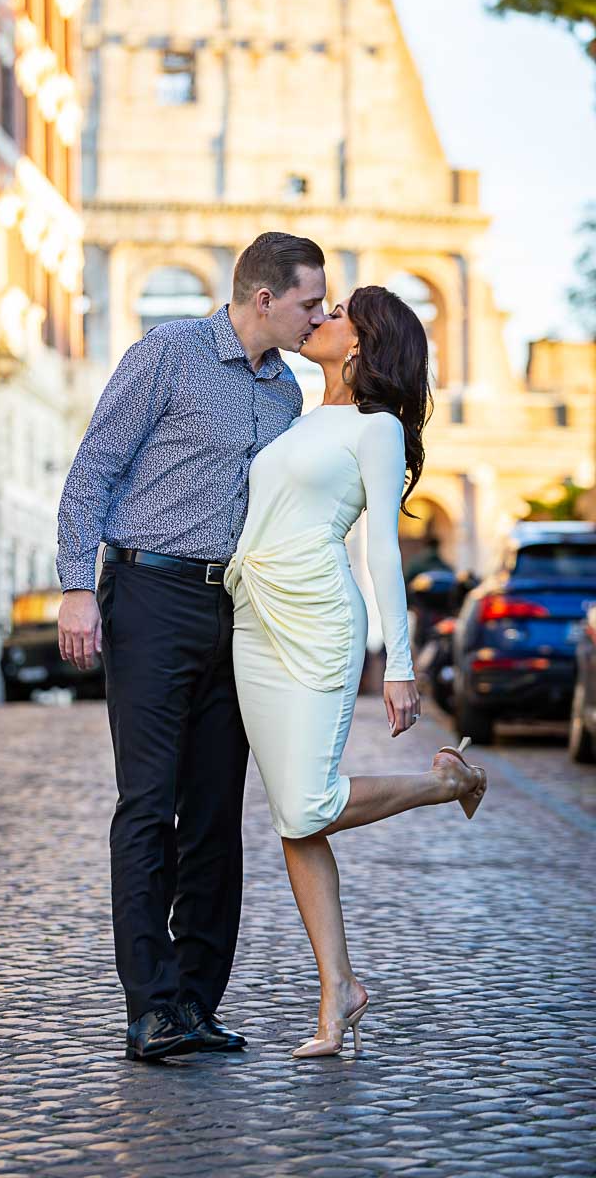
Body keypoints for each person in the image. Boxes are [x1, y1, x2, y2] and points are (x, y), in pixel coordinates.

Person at [56, 232, 327, 1062]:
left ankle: (196, 1004)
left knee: (215, 813)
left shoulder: (287, 394)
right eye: (309, 302)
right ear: (263, 300)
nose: (318, 317)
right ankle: (149, 1005)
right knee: (150, 805)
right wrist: (76, 584)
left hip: (236, 610)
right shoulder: (168, 352)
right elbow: (95, 466)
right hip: (150, 595)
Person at [223, 286, 487, 1060]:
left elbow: (378, 551)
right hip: (252, 619)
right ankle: (340, 992)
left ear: (363, 346)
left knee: (309, 802)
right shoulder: (299, 416)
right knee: (292, 818)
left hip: (315, 621)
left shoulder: (375, 430)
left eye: (335, 314)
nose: (319, 319)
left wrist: (398, 667)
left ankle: (448, 783)